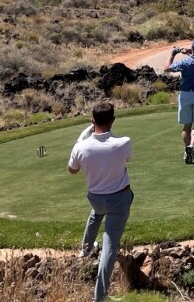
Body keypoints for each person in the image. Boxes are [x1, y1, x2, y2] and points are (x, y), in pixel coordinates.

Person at [68, 102, 133, 302]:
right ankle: (99, 296)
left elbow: (72, 170)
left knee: (97, 213)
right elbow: (127, 159)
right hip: (119, 199)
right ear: (112, 120)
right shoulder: (124, 142)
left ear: (92, 120)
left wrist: (81, 140)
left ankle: (86, 249)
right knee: (110, 245)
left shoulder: (80, 146)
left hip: (96, 199)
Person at [165, 38, 194, 164]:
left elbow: (167, 68)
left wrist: (173, 54)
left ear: (193, 48)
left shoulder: (185, 62)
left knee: (187, 125)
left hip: (186, 94)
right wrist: (188, 51)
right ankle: (191, 146)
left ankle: (187, 150)